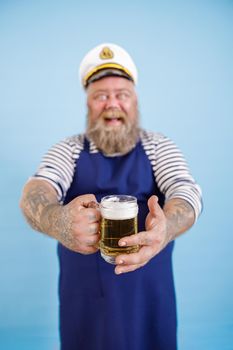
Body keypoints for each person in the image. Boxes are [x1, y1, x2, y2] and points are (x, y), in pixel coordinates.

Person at [20, 42, 202, 350]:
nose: (112, 104)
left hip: (148, 300)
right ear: (88, 104)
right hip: (85, 303)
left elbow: (185, 190)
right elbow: (37, 191)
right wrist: (57, 220)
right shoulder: (68, 149)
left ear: (135, 102)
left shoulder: (159, 146)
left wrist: (167, 227)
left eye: (122, 95)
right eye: (101, 96)